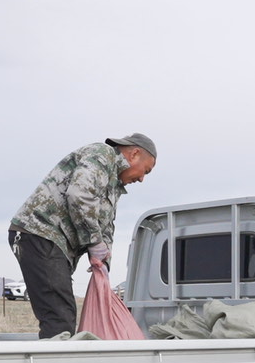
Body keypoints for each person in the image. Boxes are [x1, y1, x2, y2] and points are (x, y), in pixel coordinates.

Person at [8, 133, 157, 339]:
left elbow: (105, 224)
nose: (141, 179)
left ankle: (59, 354)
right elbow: (79, 195)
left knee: (63, 312)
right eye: (146, 171)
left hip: (55, 242)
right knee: (59, 315)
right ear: (134, 154)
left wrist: (104, 262)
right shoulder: (102, 154)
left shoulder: (113, 184)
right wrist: (94, 242)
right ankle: (56, 358)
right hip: (40, 232)